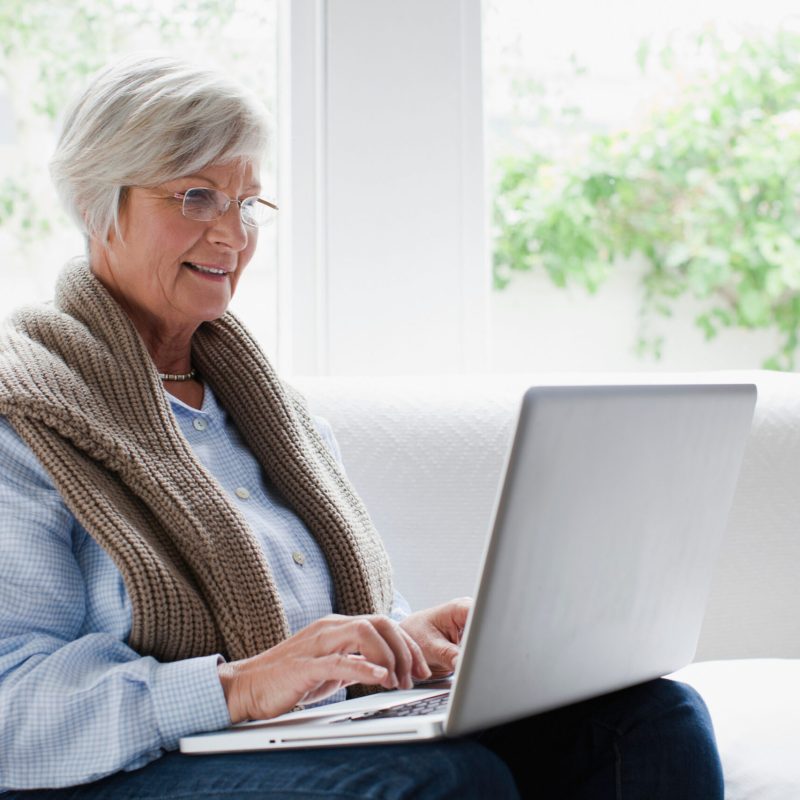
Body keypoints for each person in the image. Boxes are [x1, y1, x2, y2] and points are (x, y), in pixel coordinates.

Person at [0, 55, 723, 799]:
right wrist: (237, 687)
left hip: (298, 736)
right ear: (96, 202)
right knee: (447, 782)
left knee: (651, 719)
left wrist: (400, 643)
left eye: (246, 203)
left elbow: (321, 632)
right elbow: (8, 706)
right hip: (129, 768)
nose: (233, 236)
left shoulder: (272, 413)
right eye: (196, 197)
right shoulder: (25, 419)